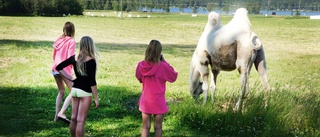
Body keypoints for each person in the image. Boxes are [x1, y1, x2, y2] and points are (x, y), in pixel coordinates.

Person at [56, 36, 99, 137]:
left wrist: (69, 78)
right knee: (80, 121)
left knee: (73, 119)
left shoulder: (74, 57)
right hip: (85, 92)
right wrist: (96, 98)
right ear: (90, 46)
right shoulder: (91, 61)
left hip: (75, 91)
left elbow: (58, 67)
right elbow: (92, 81)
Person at [135, 40, 178, 137]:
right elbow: (173, 76)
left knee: (145, 127)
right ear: (159, 52)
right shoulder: (162, 66)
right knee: (158, 127)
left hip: (146, 100)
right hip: (158, 100)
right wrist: (164, 61)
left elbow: (139, 77)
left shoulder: (141, 65)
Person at [52, 21, 76, 124]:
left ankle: (56, 117)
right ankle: (62, 112)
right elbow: (71, 57)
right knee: (74, 91)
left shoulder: (59, 39)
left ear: (64, 29)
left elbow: (54, 55)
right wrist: (72, 72)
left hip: (55, 68)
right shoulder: (71, 41)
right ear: (73, 30)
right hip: (64, 68)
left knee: (61, 91)